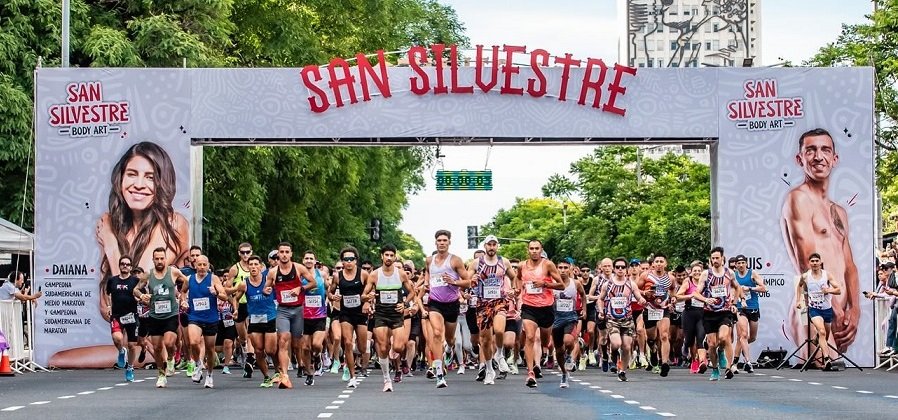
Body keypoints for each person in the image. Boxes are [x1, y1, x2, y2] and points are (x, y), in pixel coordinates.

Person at [782, 128, 860, 352]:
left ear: (834, 159)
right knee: (823, 372)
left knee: (836, 374)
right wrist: (834, 308)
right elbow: (807, 260)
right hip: (816, 304)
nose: (818, 157)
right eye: (811, 150)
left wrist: (854, 310)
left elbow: (850, 266)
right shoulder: (798, 199)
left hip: (839, 310)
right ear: (800, 159)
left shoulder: (839, 212)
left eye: (825, 150)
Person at [97, 141, 190, 325]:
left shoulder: (173, 223)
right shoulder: (113, 225)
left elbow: (135, 292)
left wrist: (111, 246)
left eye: (150, 177)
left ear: (163, 183)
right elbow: (106, 307)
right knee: (57, 356)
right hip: (131, 331)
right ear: (120, 179)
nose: (139, 184)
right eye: (132, 174)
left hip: (160, 329)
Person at [133, 247, 190, 388]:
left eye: (161, 258)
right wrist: (142, 296)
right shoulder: (148, 275)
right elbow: (135, 289)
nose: (159, 261)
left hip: (170, 315)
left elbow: (187, 281)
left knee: (170, 343)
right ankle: (161, 374)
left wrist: (183, 296)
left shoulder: (174, 272)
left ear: (166, 259)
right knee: (158, 348)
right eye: (156, 259)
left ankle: (170, 358)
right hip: (154, 316)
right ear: (153, 260)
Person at [422, 230, 472, 388]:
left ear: (449, 242)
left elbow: (469, 282)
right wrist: (426, 283)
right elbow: (428, 276)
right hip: (435, 303)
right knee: (437, 333)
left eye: (445, 240)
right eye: (439, 240)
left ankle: (449, 349)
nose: (442, 243)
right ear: (435, 243)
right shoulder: (429, 260)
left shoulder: (455, 260)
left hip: (452, 304)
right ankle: (439, 372)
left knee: (450, 339)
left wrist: (454, 282)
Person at [364, 244, 418, 392]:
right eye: (386, 255)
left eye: (391, 255)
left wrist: (405, 303)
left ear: (395, 257)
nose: (388, 258)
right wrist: (367, 297)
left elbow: (412, 292)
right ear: (382, 256)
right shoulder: (374, 274)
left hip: (396, 314)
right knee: (382, 347)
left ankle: (397, 360)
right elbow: (364, 295)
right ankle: (387, 378)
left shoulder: (401, 274)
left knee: (399, 347)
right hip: (381, 314)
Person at [267, 241, 317, 389]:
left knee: (297, 344)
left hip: (298, 310)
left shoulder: (299, 268)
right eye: (281, 252)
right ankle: (285, 376)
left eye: (286, 252)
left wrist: (300, 288)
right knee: (283, 340)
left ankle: (305, 367)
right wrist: (267, 290)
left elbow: (313, 283)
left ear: (291, 254)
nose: (284, 255)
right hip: (282, 310)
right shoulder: (273, 272)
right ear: (278, 254)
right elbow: (266, 287)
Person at [470, 235, 517, 385]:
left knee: (499, 330)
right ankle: (489, 369)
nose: (491, 247)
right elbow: (467, 279)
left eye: (494, 244)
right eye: (489, 245)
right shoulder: (477, 263)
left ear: (497, 246)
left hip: (499, 301)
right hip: (483, 304)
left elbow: (514, 277)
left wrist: (513, 290)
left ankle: (500, 354)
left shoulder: (504, 262)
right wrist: (471, 281)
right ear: (485, 246)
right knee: (485, 340)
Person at [516, 239, 563, 388]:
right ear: (527, 250)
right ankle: (530, 373)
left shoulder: (548, 265)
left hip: (546, 307)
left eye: (537, 248)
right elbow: (518, 279)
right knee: (530, 337)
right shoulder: (522, 266)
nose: (534, 251)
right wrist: (517, 291)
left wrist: (545, 284)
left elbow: (561, 284)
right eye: (531, 248)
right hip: (529, 307)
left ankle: (544, 353)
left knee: (544, 341)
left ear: (541, 250)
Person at [692, 247, 743, 381]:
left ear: (722, 258)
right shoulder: (706, 274)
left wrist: (734, 303)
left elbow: (737, 287)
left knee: (724, 337)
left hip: (724, 311)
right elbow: (696, 293)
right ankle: (715, 369)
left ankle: (729, 368)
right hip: (709, 313)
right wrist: (705, 299)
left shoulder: (729, 273)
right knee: (712, 343)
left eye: (717, 258)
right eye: (713, 258)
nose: (715, 260)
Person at [180, 255, 229, 388]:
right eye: (199, 265)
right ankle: (198, 364)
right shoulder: (189, 279)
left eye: (204, 265)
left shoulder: (213, 278)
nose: (202, 267)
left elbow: (225, 296)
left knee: (210, 349)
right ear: (195, 265)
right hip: (194, 316)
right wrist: (183, 301)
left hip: (211, 318)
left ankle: (210, 375)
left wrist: (216, 293)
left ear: (208, 266)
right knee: (193, 342)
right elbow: (183, 292)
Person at [596, 258, 648, 382]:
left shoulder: (631, 284)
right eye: (618, 267)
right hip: (612, 319)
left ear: (626, 269)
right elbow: (600, 299)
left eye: (622, 267)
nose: (620, 269)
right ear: (614, 269)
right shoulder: (607, 284)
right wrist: (601, 311)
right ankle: (613, 353)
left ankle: (622, 371)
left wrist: (643, 301)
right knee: (616, 343)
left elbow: (638, 297)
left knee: (626, 346)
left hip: (627, 319)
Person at [329, 246, 370, 389]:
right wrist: (333, 296)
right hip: (345, 313)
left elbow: (370, 290)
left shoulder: (363, 274)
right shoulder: (337, 276)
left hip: (360, 313)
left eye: (351, 259)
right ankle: (352, 375)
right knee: (347, 343)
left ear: (356, 261)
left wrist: (367, 302)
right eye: (346, 259)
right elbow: (330, 292)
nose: (349, 262)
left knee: (362, 348)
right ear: (342, 261)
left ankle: (353, 358)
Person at [234, 255, 278, 388]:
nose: (253, 267)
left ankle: (278, 371)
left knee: (270, 350)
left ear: (260, 267)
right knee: (258, 350)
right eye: (250, 265)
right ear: (248, 268)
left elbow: (281, 291)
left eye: (255, 264)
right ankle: (266, 377)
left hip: (270, 317)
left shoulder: (268, 280)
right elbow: (236, 298)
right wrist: (235, 310)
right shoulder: (244, 283)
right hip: (254, 320)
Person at [794, 252, 842, 370]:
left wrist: (828, 290)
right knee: (821, 331)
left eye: (816, 261)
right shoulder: (805, 276)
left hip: (827, 309)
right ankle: (827, 359)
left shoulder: (827, 275)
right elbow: (799, 286)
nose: (815, 263)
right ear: (809, 263)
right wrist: (798, 300)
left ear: (820, 262)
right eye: (812, 261)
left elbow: (838, 290)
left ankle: (816, 340)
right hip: (814, 309)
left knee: (824, 335)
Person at [104, 256, 139, 381]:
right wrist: (109, 306)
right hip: (117, 315)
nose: (125, 266)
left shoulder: (135, 281)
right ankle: (121, 351)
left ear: (130, 267)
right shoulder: (112, 280)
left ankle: (130, 367)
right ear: (119, 266)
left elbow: (141, 294)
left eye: (127, 264)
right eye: (123, 264)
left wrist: (139, 298)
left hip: (131, 316)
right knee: (117, 338)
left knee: (132, 345)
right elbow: (107, 293)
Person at [552, 260, 586, 388]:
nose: (562, 270)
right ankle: (564, 373)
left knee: (568, 341)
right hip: (556, 318)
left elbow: (583, 295)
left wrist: (583, 309)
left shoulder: (575, 283)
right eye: (560, 267)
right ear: (556, 269)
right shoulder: (553, 283)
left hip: (570, 316)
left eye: (565, 267)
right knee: (559, 350)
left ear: (570, 269)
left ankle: (570, 355)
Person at [733, 254, 767, 374]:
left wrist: (750, 288)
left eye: (743, 263)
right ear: (735, 265)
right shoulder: (734, 276)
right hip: (740, 308)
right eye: (739, 263)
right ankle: (748, 362)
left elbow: (764, 288)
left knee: (751, 337)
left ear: (746, 263)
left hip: (753, 307)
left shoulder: (753, 274)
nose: (741, 265)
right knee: (743, 335)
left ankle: (736, 361)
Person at [226, 242, 255, 378]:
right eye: (242, 252)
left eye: (247, 252)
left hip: (252, 303)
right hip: (238, 303)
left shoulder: (256, 267)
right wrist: (238, 289)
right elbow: (226, 289)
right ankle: (245, 351)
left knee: (250, 332)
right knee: (242, 336)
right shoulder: (234, 269)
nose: (245, 255)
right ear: (239, 253)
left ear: (251, 252)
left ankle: (250, 358)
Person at [299, 251, 328, 386]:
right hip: (304, 316)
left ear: (315, 261)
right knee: (305, 347)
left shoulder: (321, 274)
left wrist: (332, 297)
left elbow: (330, 289)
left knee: (316, 344)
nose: (309, 260)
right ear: (303, 260)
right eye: (306, 258)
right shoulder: (299, 276)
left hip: (320, 315)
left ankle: (317, 357)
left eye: (311, 258)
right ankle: (309, 374)